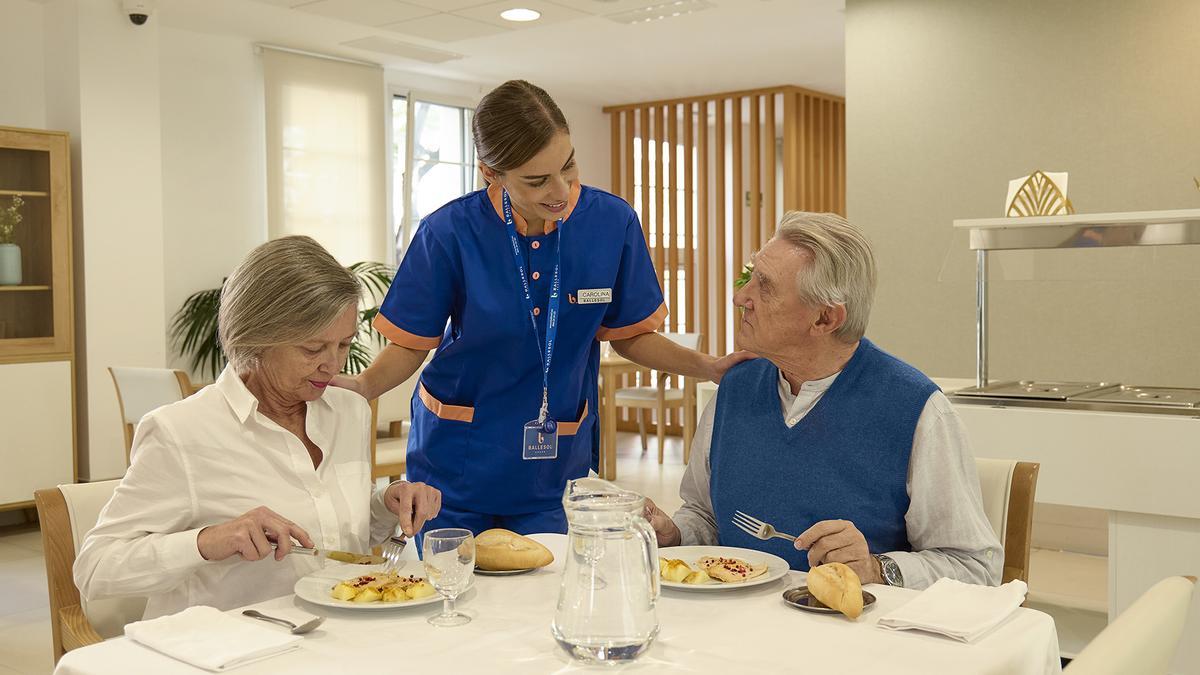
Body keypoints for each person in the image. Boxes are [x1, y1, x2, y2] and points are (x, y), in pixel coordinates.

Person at [334, 80, 750, 536]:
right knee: (450, 590)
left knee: (547, 590)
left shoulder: (611, 223)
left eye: (568, 166)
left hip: (554, 466)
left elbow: (630, 334)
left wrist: (707, 367)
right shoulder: (448, 232)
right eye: (536, 180)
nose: (561, 190)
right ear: (491, 173)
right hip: (455, 462)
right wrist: (364, 385)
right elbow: (412, 344)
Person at [74, 236, 442, 618]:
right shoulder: (181, 433)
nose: (333, 366)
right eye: (313, 349)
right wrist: (206, 542)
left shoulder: (348, 410)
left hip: (333, 638)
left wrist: (386, 504)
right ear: (256, 338)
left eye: (344, 345)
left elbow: (337, 534)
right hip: (227, 652)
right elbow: (95, 568)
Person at [644, 212, 1003, 589]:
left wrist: (876, 568)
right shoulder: (734, 388)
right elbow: (706, 516)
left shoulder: (916, 410)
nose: (740, 297)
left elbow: (976, 568)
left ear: (825, 319)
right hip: (738, 629)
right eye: (750, 276)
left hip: (856, 637)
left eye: (764, 286)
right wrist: (676, 536)